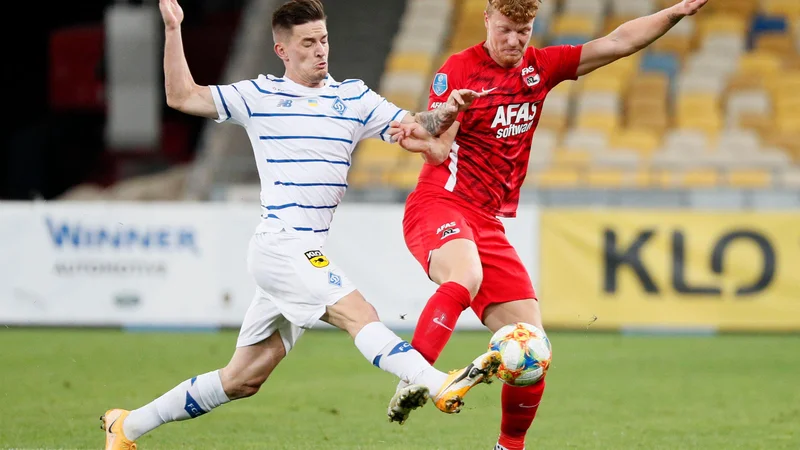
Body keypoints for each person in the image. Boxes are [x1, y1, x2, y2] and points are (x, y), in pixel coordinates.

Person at [99, 0, 501, 448]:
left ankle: (126, 426)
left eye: (324, 40)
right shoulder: (258, 95)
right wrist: (174, 29)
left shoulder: (354, 98)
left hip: (304, 249)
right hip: (282, 244)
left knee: (242, 379)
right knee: (358, 313)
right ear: (282, 50)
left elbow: (416, 125)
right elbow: (181, 95)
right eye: (308, 43)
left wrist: (446, 110)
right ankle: (434, 382)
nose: (320, 51)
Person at [387, 0, 710, 448]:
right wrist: (439, 119)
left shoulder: (541, 67)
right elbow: (439, 150)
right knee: (466, 274)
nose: (515, 40)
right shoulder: (459, 70)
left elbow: (617, 42)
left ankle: (508, 447)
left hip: (486, 221)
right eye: (505, 29)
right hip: (440, 204)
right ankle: (415, 373)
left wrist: (675, 12)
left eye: (525, 30)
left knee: (533, 347)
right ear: (487, 20)